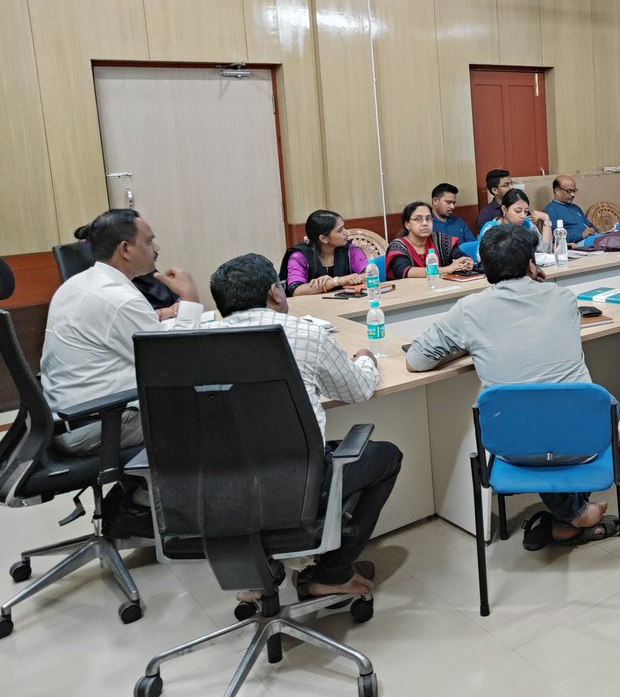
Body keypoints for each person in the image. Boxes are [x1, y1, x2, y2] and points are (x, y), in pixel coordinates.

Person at [405, 225, 616, 545]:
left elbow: (416, 360)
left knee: (537, 425)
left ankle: (568, 515)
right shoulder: (563, 298)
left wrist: (467, 345)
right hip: (584, 440)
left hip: (513, 447)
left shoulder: (469, 310)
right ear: (532, 264)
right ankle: (571, 515)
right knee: (584, 408)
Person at [210, 254, 401, 598]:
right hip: (298, 487)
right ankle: (332, 573)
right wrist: (366, 360)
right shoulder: (304, 333)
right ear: (275, 293)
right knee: (386, 457)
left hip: (217, 494)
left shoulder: (189, 341)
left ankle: (257, 573)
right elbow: (357, 389)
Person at [40, 209, 203, 456]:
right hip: (101, 424)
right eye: (148, 242)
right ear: (125, 249)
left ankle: (138, 491)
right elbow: (175, 369)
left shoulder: (76, 284)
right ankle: (154, 493)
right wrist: (190, 299)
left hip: (71, 419)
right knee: (213, 405)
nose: (156, 247)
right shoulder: (119, 299)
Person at [281, 210, 368, 296]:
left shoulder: (350, 250)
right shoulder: (299, 256)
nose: (346, 232)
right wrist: (336, 281)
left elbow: (370, 275)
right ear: (323, 239)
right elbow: (296, 290)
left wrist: (353, 278)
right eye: (340, 230)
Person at [385, 201, 474, 280]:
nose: (425, 223)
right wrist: (448, 269)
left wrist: (466, 262)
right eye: (418, 219)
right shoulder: (398, 246)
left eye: (428, 218)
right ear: (407, 224)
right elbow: (404, 271)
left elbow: (459, 255)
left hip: (439, 290)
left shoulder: (440, 239)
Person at [478, 188, 552, 253]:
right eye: (517, 211)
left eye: (526, 211)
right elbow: (483, 259)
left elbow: (544, 251)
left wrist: (546, 219)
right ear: (504, 209)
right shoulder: (491, 229)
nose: (523, 216)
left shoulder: (527, 225)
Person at [543, 175, 595, 243]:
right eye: (569, 191)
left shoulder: (575, 207)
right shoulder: (550, 210)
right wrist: (581, 235)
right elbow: (555, 237)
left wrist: (594, 230)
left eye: (574, 191)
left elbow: (589, 225)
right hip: (577, 244)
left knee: (611, 235)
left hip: (591, 239)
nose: (573, 195)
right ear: (557, 190)